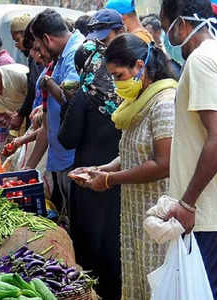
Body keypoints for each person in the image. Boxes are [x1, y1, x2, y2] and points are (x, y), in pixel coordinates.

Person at [76, 34, 176, 299]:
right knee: (137, 279)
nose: (116, 84)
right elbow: (132, 153)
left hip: (157, 212)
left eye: (119, 76)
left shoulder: (164, 103)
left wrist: (110, 180)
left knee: (156, 283)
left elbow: (163, 163)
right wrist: (103, 169)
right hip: (135, 211)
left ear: (139, 66)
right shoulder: (137, 103)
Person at [59, 10, 124, 299]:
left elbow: (67, 137)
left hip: (89, 178)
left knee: (91, 246)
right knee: (116, 244)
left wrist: (67, 102)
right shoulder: (127, 94)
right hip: (121, 178)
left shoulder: (87, 93)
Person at [160, 0, 217, 296]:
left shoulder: (200, 60)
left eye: (164, 29)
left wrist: (187, 202)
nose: (165, 39)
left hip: (208, 214)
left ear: (181, 24)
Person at [24, 9, 84, 229]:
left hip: (74, 159)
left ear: (48, 39)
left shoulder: (74, 54)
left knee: (76, 222)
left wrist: (48, 83)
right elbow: (50, 122)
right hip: (62, 157)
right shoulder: (61, 57)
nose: (40, 55)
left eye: (39, 47)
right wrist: (29, 168)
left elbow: (72, 99)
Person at [10, 14, 44, 131]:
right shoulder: (32, 57)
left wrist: (20, 115)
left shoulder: (35, 57)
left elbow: (33, 87)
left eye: (17, 40)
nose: (16, 45)